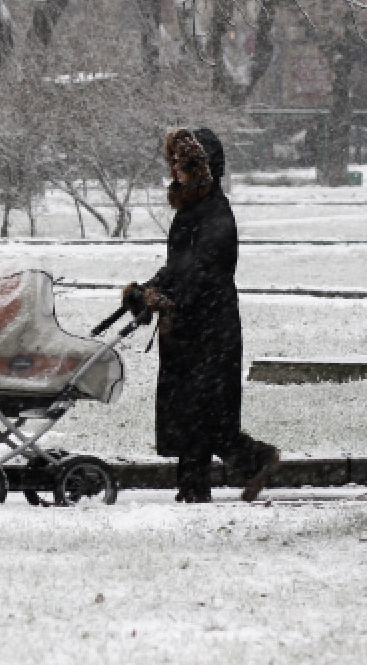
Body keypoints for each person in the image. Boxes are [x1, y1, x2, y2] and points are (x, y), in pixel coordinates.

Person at [123, 127, 279, 503]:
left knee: (205, 410)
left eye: (184, 162)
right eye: (173, 162)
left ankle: (250, 461)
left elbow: (205, 271)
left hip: (210, 325)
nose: (175, 168)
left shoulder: (215, 213)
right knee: (189, 410)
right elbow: (177, 267)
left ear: (202, 167)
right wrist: (147, 289)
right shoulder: (190, 210)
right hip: (187, 325)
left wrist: (166, 297)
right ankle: (195, 487)